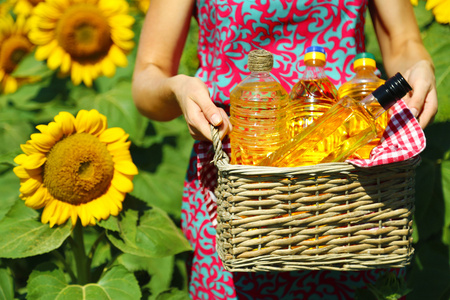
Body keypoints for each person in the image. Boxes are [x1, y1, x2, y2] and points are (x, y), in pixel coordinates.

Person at [132, 0, 438, 299]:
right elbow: (149, 73)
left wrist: (418, 68)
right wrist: (179, 89)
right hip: (237, 186)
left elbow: (402, 41)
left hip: (352, 193)